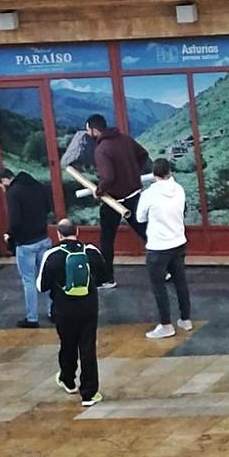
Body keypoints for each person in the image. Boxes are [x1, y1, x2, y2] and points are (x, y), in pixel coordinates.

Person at [36, 219, 109, 407]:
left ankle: (68, 380)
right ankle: (89, 394)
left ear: (58, 234)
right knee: (88, 347)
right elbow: (104, 277)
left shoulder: (52, 255)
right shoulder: (91, 251)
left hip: (63, 309)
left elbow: (41, 286)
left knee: (67, 344)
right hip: (88, 307)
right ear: (77, 231)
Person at [85, 114, 149, 289]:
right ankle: (168, 269)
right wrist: (134, 172)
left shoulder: (101, 149)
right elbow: (143, 154)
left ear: (94, 130)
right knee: (146, 232)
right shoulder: (125, 139)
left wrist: (99, 191)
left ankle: (107, 278)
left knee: (107, 240)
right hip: (134, 195)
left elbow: (108, 177)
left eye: (87, 130)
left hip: (114, 201)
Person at [136, 158, 193, 339]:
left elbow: (140, 218)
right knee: (180, 282)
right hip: (178, 242)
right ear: (169, 171)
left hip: (158, 247)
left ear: (153, 174)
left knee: (158, 286)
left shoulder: (149, 194)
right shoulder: (179, 189)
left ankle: (166, 325)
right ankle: (185, 319)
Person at [0, 168, 53, 328]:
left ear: (4, 180)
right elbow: (48, 207)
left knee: (29, 280)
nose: (2, 190)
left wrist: (9, 234)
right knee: (49, 276)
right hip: (43, 237)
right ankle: (52, 311)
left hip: (26, 243)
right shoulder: (38, 186)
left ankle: (32, 318)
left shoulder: (13, 192)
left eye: (0, 186)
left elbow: (15, 219)